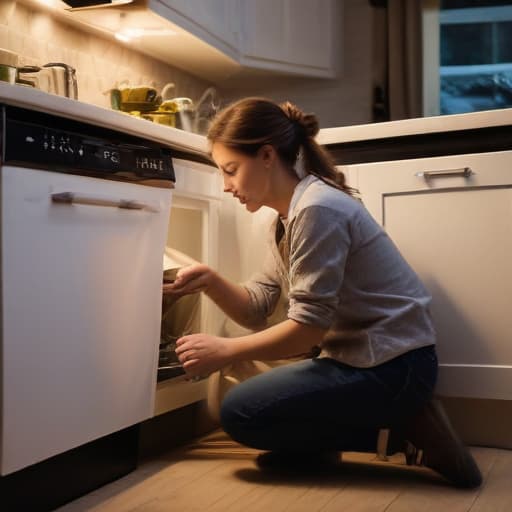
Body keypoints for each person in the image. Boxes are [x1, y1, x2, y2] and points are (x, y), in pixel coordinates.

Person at [163, 97, 482, 488]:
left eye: (231, 170)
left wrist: (225, 350)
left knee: (240, 412)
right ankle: (331, 443)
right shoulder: (284, 218)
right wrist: (210, 280)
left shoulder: (318, 209)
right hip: (358, 360)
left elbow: (309, 330)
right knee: (238, 401)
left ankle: (407, 431)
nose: (227, 186)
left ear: (266, 155)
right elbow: (257, 308)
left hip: (394, 366)